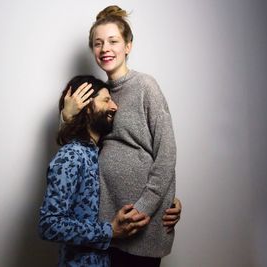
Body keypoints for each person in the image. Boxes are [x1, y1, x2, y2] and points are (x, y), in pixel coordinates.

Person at [61, 6, 181, 267]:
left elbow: (166, 153)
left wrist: (147, 208)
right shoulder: (96, 95)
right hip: (108, 222)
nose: (105, 48)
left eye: (113, 41)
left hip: (141, 223)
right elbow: (75, 151)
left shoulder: (145, 86)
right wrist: (67, 117)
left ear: (128, 46)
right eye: (98, 43)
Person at [38, 75, 150, 267]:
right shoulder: (71, 156)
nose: (115, 107)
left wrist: (167, 199)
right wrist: (109, 231)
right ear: (88, 108)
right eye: (106, 100)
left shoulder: (100, 154)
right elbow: (49, 224)